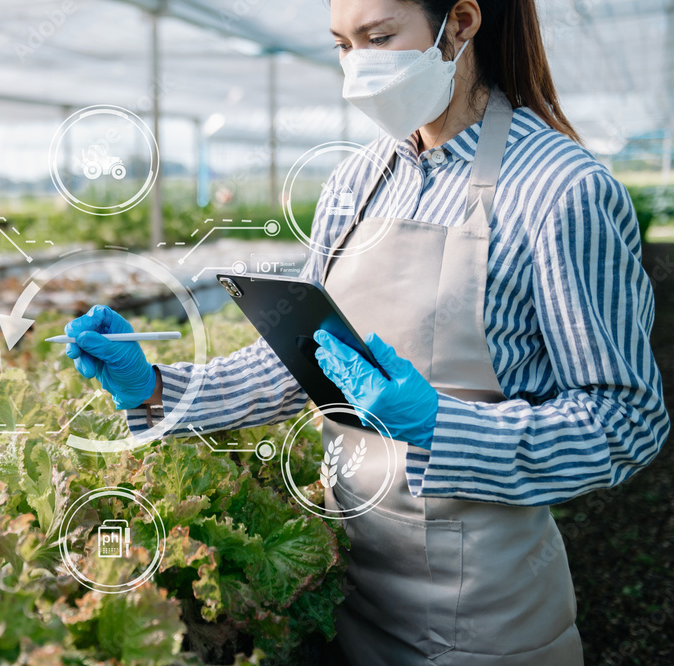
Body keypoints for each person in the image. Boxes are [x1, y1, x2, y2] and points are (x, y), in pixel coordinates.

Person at [63, 1, 670, 663]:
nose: (357, 67)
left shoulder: (560, 190)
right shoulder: (356, 183)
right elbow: (301, 364)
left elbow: (625, 420)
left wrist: (439, 426)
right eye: (342, 45)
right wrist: (153, 388)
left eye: (379, 37)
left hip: (481, 620)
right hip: (351, 591)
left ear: (461, 24)